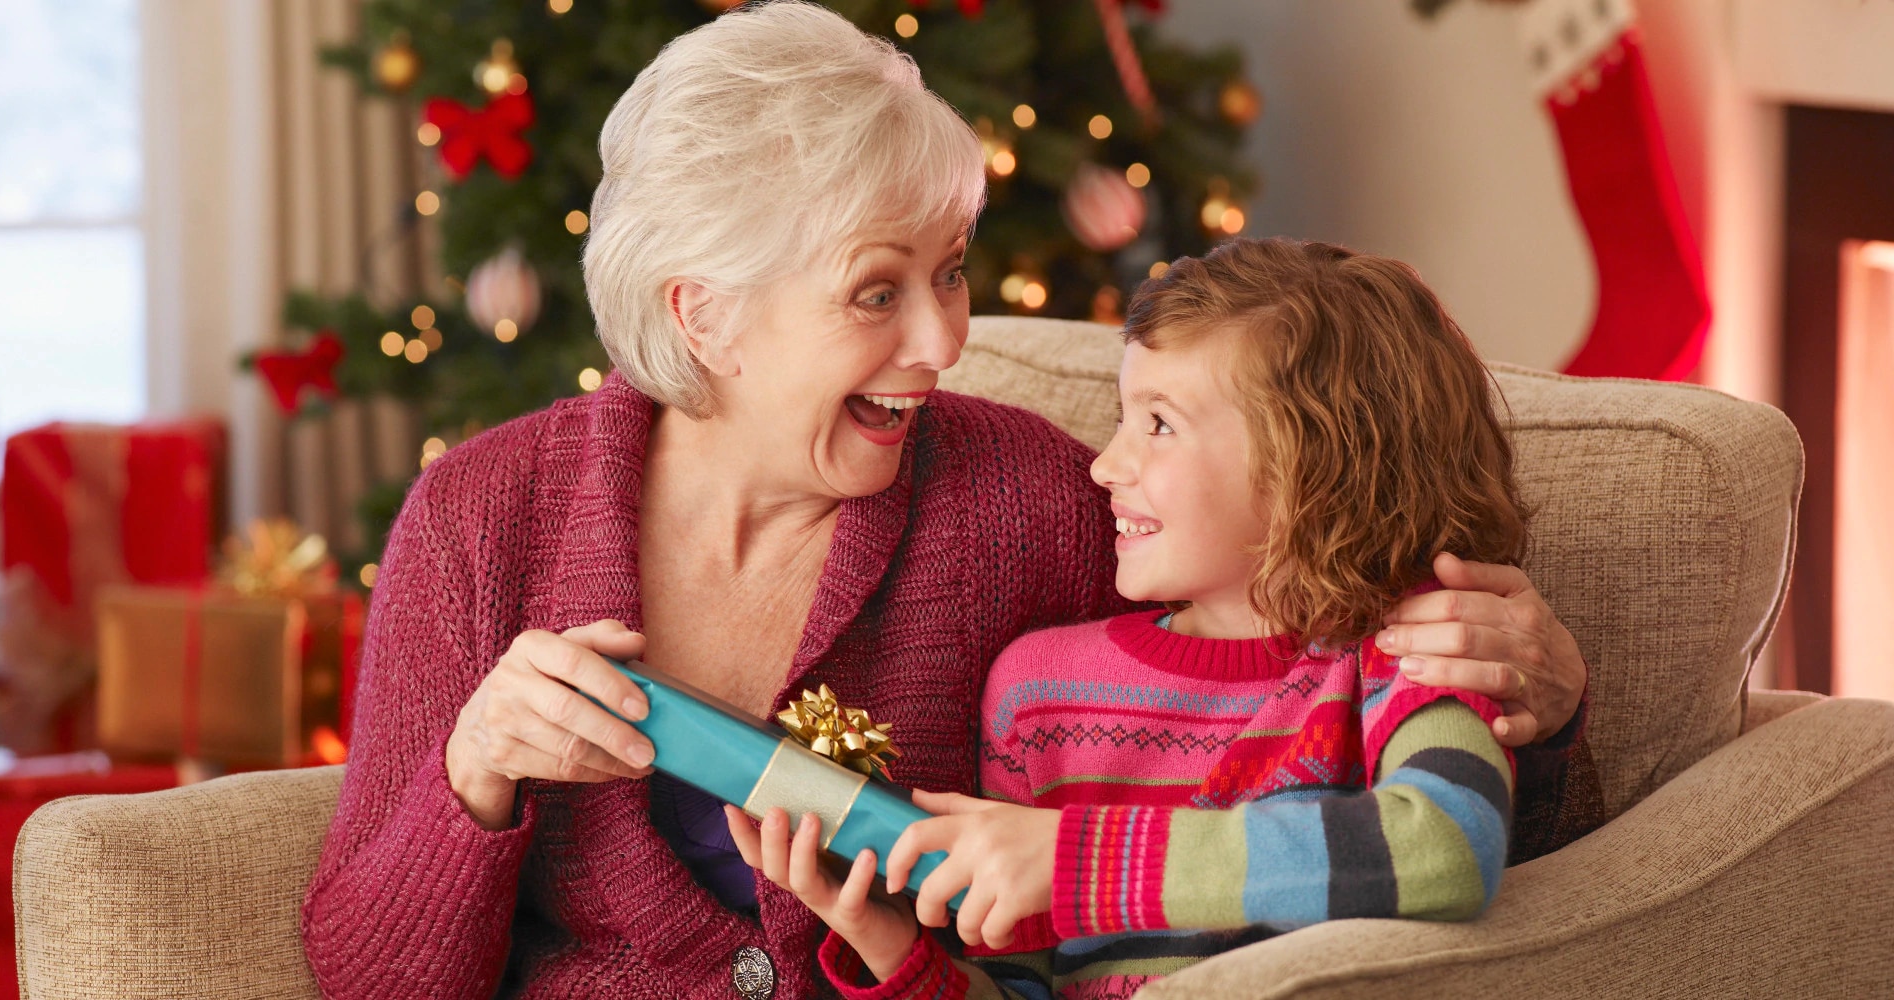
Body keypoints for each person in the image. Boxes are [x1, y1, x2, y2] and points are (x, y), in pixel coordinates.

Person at [299, 7, 1591, 1000]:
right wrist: (474, 779)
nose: (942, 341)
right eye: (877, 292)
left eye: (953, 273)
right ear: (707, 312)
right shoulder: (482, 518)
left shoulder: (1029, 500)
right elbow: (368, 975)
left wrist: (1539, 704)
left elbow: (1305, 701)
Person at [734, 238, 1543, 999]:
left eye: (1159, 424)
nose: (1105, 464)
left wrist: (1074, 859)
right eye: (1125, 419)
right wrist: (885, 940)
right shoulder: (1039, 693)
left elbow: (1444, 850)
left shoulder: (1419, 645)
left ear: (1317, 464)